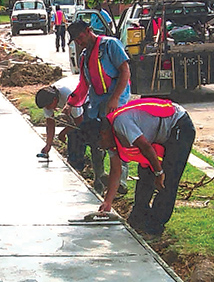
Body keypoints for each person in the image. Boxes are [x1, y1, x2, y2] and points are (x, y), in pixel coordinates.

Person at [97, 98, 195, 236]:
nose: (101, 147)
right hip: (158, 135)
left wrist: (159, 172)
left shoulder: (121, 123)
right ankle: (138, 218)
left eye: (100, 143)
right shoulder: (110, 138)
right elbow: (116, 171)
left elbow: (145, 147)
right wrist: (108, 202)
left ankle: (155, 227)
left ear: (103, 134)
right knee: (144, 175)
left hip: (179, 125)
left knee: (168, 180)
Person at [63, 20, 131, 195]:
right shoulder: (84, 56)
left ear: (88, 31)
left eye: (80, 38)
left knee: (118, 138)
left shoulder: (110, 45)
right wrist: (71, 103)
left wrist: (115, 98)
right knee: (96, 140)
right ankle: (100, 180)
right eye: (76, 41)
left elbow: (125, 71)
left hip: (116, 100)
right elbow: (84, 85)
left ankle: (121, 180)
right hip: (97, 103)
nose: (79, 42)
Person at [35, 77, 84, 168]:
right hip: (73, 101)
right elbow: (50, 122)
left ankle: (77, 166)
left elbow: (79, 121)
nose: (48, 109)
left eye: (48, 106)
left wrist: (63, 132)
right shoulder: (48, 96)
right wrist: (48, 144)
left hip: (87, 97)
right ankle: (72, 161)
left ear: (54, 100)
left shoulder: (69, 96)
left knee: (77, 134)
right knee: (72, 131)